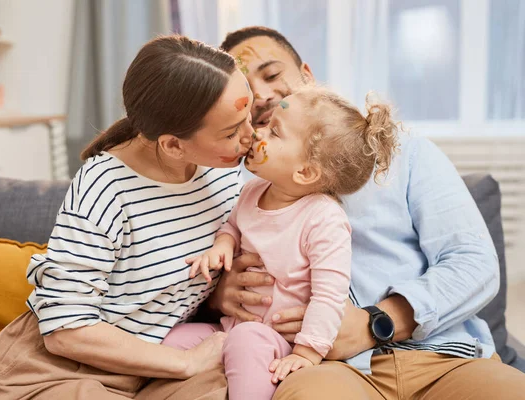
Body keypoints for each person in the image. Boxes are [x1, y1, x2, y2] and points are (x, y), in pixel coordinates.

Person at [207, 26, 525, 399]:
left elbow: (474, 264)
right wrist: (216, 294)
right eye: (244, 88)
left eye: (272, 74)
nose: (260, 94)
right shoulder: (237, 182)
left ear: (307, 76)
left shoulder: (407, 153)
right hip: (325, 369)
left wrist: (378, 321)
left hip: (443, 357)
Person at [0, 35, 256, 400]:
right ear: (172, 145)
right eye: (232, 132)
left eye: (248, 118)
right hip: (58, 372)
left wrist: (219, 298)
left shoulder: (222, 171)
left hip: (158, 361)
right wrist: (185, 364)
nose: (250, 136)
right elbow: (65, 330)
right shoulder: (105, 187)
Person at [164, 86, 400, 400]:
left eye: (273, 132)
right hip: (231, 326)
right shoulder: (252, 191)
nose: (256, 133)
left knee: (248, 341)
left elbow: (329, 296)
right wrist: (223, 245)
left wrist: (306, 352)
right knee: (172, 341)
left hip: (279, 338)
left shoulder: (324, 219)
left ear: (304, 172)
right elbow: (233, 227)